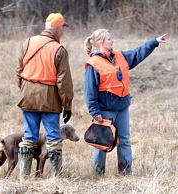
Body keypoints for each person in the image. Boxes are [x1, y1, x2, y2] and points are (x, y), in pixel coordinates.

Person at [83, 29, 168, 176]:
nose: (112, 40)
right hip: (105, 110)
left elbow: (137, 53)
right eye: (109, 39)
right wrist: (95, 112)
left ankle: (125, 173)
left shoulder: (120, 56)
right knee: (101, 143)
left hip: (122, 107)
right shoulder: (93, 64)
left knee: (125, 141)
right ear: (100, 42)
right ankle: (97, 175)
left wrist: (154, 42)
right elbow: (89, 92)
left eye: (111, 38)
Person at [16, 13, 74, 181]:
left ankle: (23, 179)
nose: (63, 31)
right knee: (54, 138)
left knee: (28, 137)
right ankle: (57, 178)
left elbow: (18, 72)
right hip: (49, 98)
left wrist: (26, 90)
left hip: (27, 95)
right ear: (58, 29)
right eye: (63, 28)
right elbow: (64, 82)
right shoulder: (59, 50)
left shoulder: (27, 43)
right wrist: (67, 105)